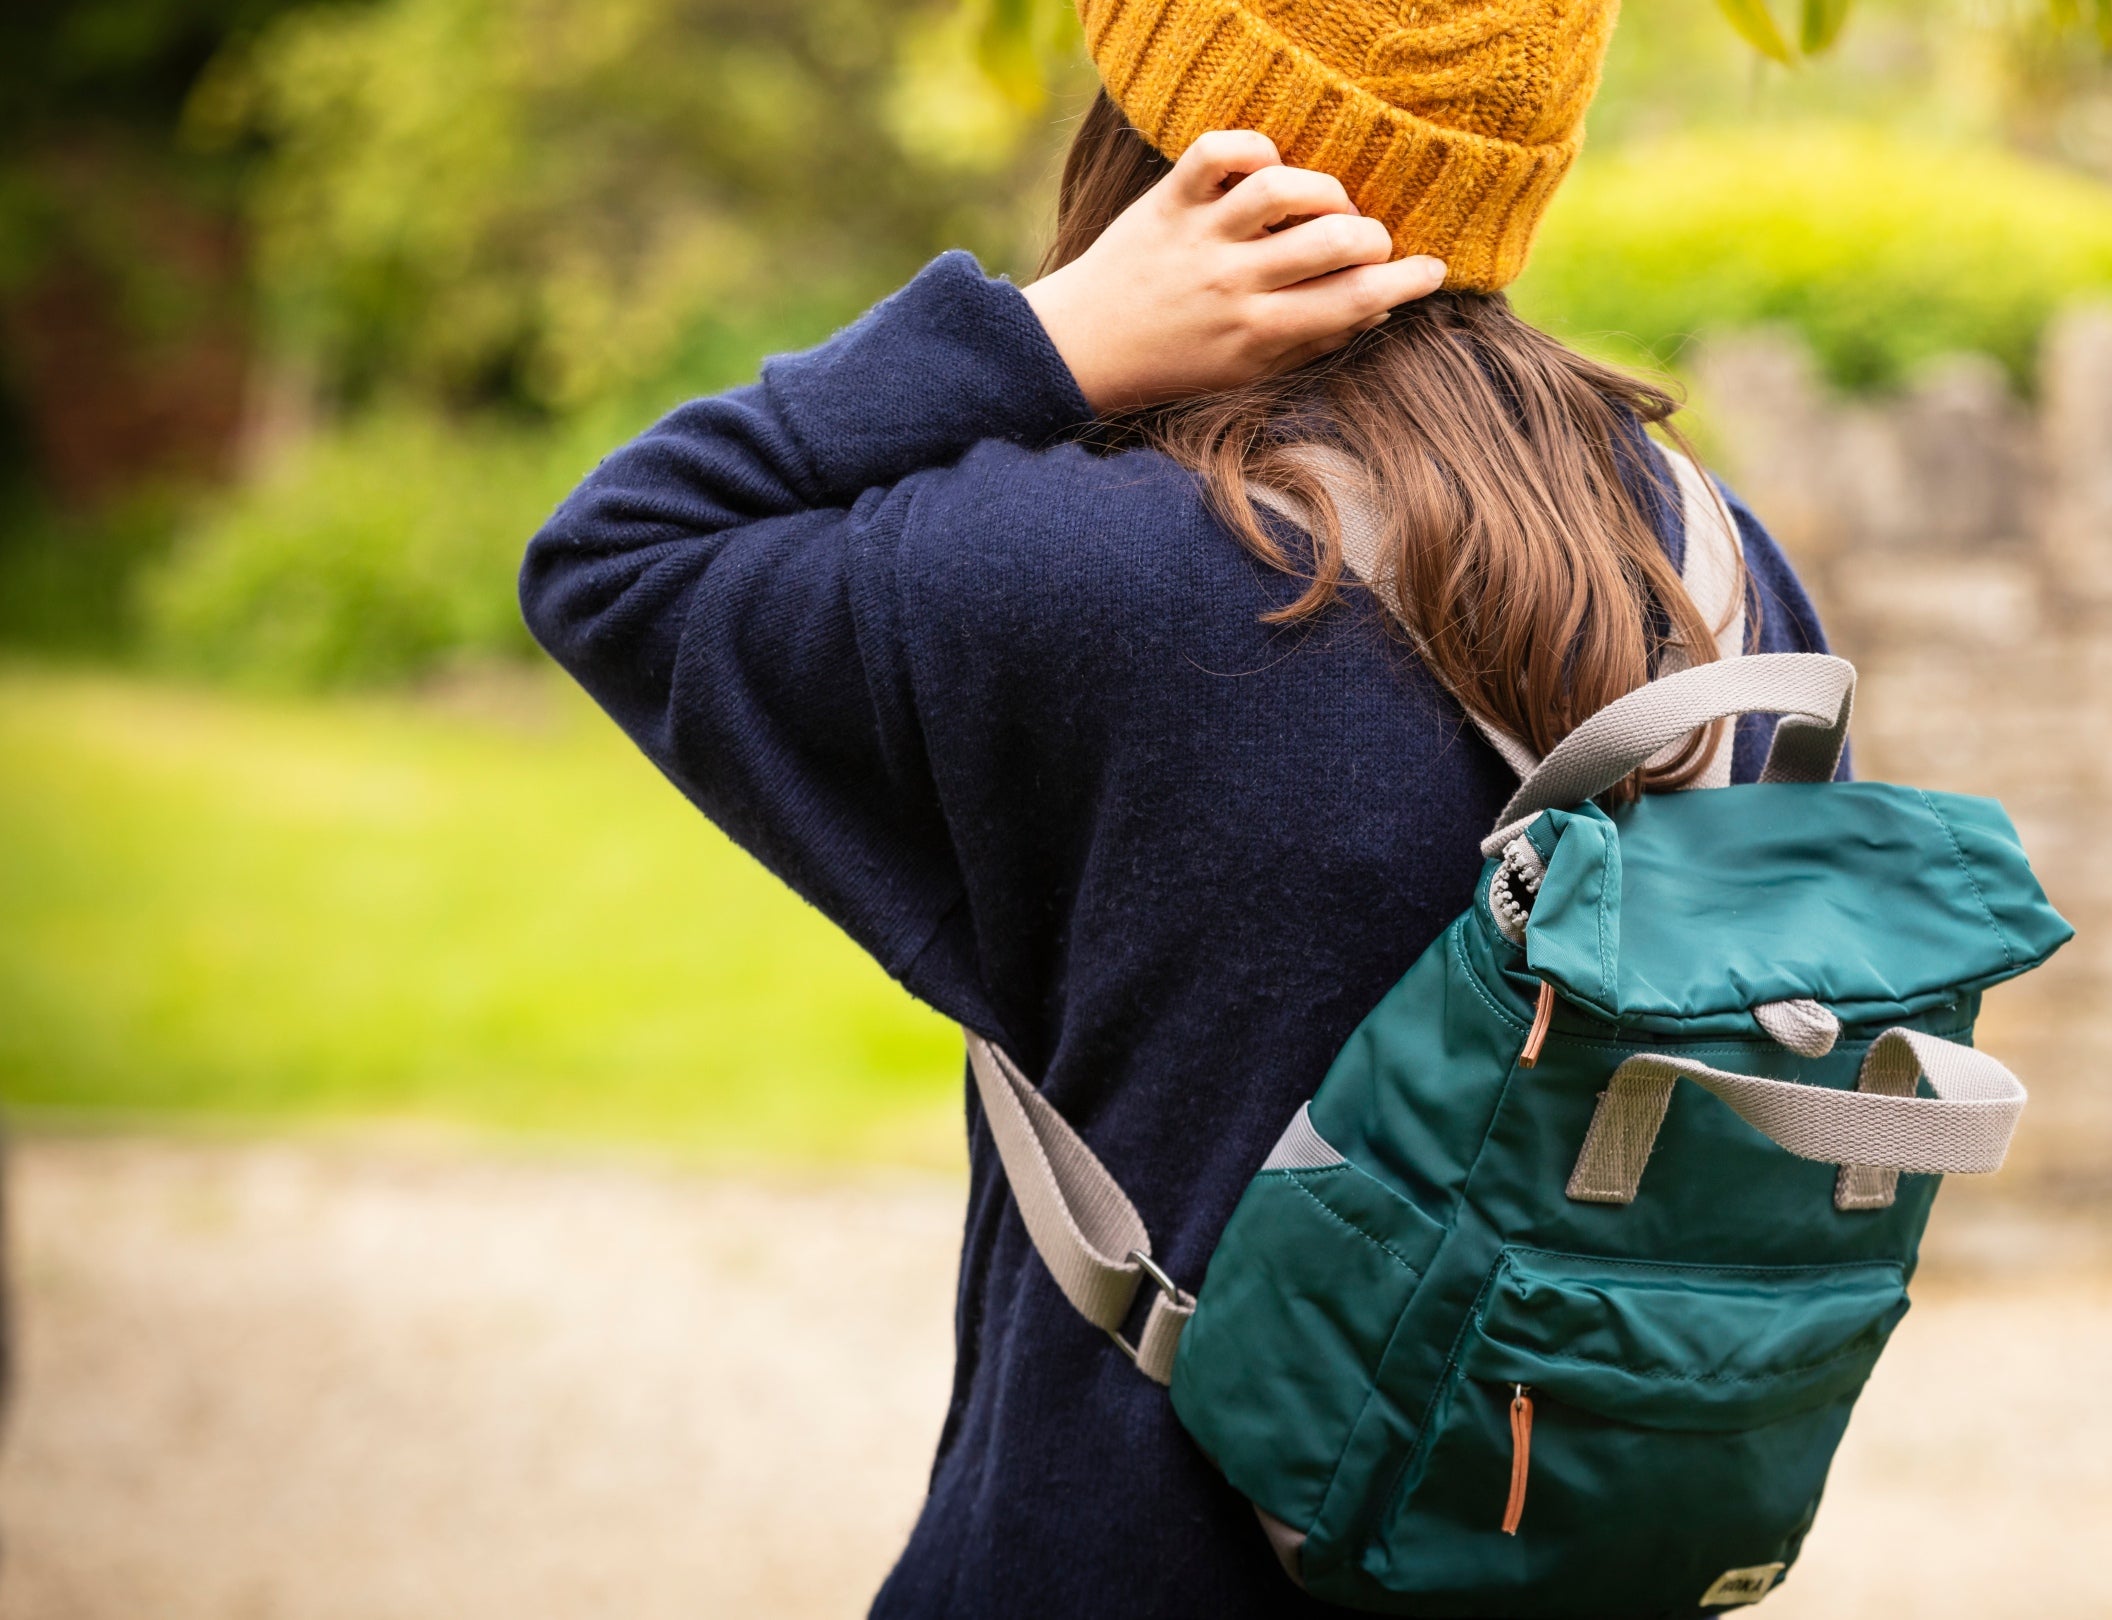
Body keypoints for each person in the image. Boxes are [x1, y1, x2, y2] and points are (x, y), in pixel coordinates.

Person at [519, 1, 1840, 1610]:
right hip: (1559, 1556)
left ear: (1171, 125)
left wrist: (1046, 336)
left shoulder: (1065, 574)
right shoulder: (1716, 570)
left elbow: (616, 554)